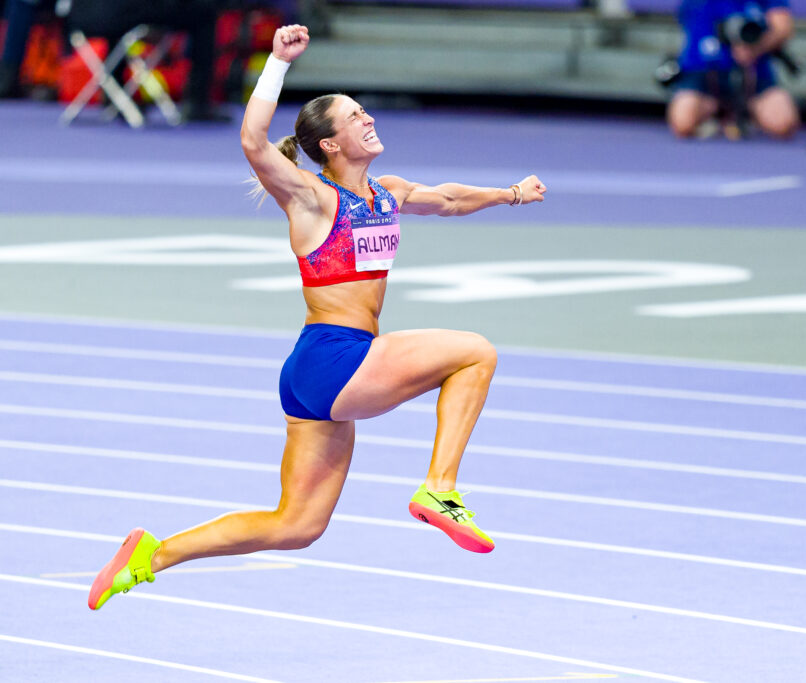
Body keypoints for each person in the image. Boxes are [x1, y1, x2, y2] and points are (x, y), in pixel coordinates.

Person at [87, 24, 547, 611]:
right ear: (329, 144)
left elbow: (451, 199)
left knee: (296, 525)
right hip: (336, 358)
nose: (367, 119)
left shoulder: (388, 192)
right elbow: (254, 141)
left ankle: (152, 554)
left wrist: (509, 193)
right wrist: (277, 63)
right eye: (354, 117)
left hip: (317, 372)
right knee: (476, 351)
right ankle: (439, 490)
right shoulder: (311, 198)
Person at [65, 0, 229, 121]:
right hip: (122, 12)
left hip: (82, 15)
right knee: (204, 11)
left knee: (118, 25)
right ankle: (197, 103)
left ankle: (114, 97)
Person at [666, 0, 799, 139]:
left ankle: (745, 115)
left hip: (754, 76)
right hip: (702, 74)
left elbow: (783, 27)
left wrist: (756, 48)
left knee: (784, 123)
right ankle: (717, 113)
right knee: (683, 122)